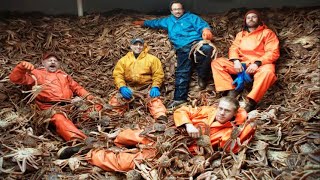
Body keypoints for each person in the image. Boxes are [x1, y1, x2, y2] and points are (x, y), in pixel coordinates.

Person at [58, 97, 256, 172]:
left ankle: (87, 154)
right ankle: (108, 138)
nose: (221, 112)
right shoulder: (207, 110)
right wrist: (187, 124)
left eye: (226, 111)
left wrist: (247, 121)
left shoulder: (229, 131)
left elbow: (231, 147)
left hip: (175, 150)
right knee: (132, 135)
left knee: (129, 162)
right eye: (220, 108)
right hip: (169, 134)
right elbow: (182, 110)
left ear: (233, 114)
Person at [133, 0, 214, 109]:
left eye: (179, 9)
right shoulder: (168, 21)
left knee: (207, 49)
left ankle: (203, 77)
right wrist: (142, 23)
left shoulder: (191, 17)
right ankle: (179, 99)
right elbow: (155, 23)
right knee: (182, 71)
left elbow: (202, 25)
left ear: (183, 9)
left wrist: (206, 30)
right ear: (171, 11)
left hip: (196, 43)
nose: (177, 11)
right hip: (182, 47)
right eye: (175, 9)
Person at [9, 53, 102, 146]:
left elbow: (77, 88)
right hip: (49, 108)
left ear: (58, 64)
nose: (53, 62)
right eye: (50, 60)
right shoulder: (36, 73)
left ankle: (83, 127)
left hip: (69, 106)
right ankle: (81, 142)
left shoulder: (64, 75)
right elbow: (16, 79)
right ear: (43, 63)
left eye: (55, 61)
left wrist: (89, 97)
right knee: (59, 118)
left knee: (97, 106)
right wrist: (20, 68)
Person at [211, 10, 280, 112]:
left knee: (268, 72)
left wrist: (257, 63)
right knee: (217, 63)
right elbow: (234, 48)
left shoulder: (267, 33)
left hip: (261, 64)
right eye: (248, 17)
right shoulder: (241, 34)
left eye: (254, 17)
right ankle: (231, 91)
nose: (251, 19)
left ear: (259, 19)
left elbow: (273, 52)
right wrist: (235, 60)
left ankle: (251, 102)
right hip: (242, 64)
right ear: (245, 21)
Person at [109, 37, 167, 122]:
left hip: (146, 87)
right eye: (135, 44)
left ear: (143, 47)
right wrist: (122, 87)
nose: (138, 47)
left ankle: (160, 117)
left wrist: (155, 86)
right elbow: (118, 75)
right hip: (130, 87)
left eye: (140, 45)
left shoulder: (152, 59)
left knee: (154, 101)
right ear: (131, 46)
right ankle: (112, 118)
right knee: (116, 101)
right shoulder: (123, 60)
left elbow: (158, 74)